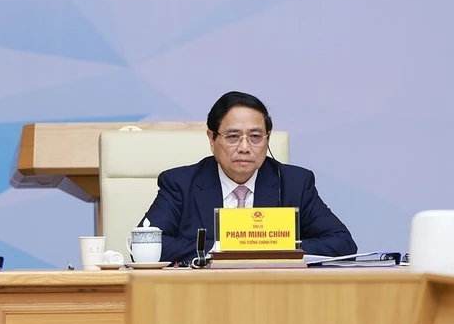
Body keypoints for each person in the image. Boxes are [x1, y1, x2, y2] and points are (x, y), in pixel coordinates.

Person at [140, 91, 357, 263]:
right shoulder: (180, 183)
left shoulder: (295, 183)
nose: (244, 147)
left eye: (255, 137)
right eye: (233, 136)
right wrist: (222, 249)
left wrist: (276, 248)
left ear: (267, 138)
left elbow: (342, 243)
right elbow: (145, 245)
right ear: (212, 138)